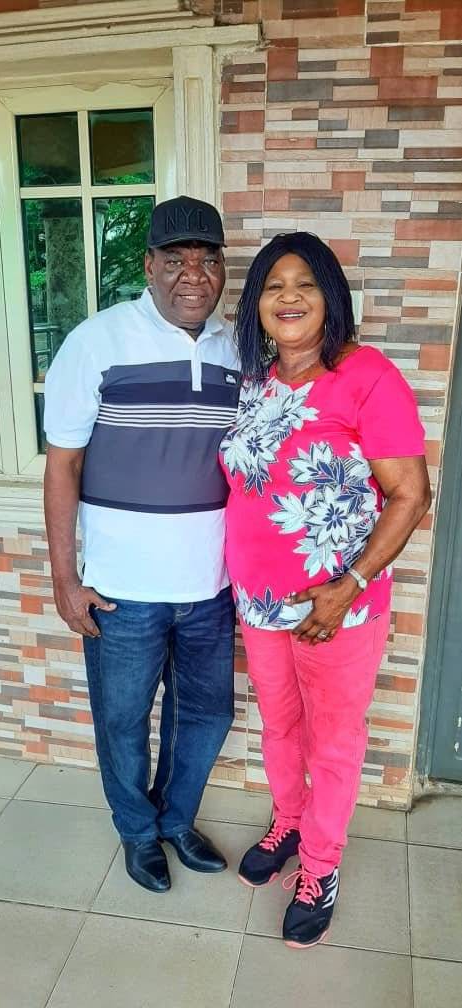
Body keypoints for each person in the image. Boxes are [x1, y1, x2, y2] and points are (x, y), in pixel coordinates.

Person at [219, 232, 431, 948]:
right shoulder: (256, 383)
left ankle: (320, 865)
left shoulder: (367, 375)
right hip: (259, 602)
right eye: (273, 286)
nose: (288, 297)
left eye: (304, 283)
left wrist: (349, 583)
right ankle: (288, 820)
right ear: (256, 305)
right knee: (280, 725)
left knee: (333, 742)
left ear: (330, 298)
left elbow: (411, 494)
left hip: (337, 606)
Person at [44, 196, 240, 894]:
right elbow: (62, 466)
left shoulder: (237, 348)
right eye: (177, 260)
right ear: (149, 265)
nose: (194, 275)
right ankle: (137, 832)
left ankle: (175, 821)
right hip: (121, 590)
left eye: (208, 260)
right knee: (123, 721)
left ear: (222, 270)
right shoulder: (95, 342)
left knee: (207, 715)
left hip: (211, 585)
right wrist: (65, 580)